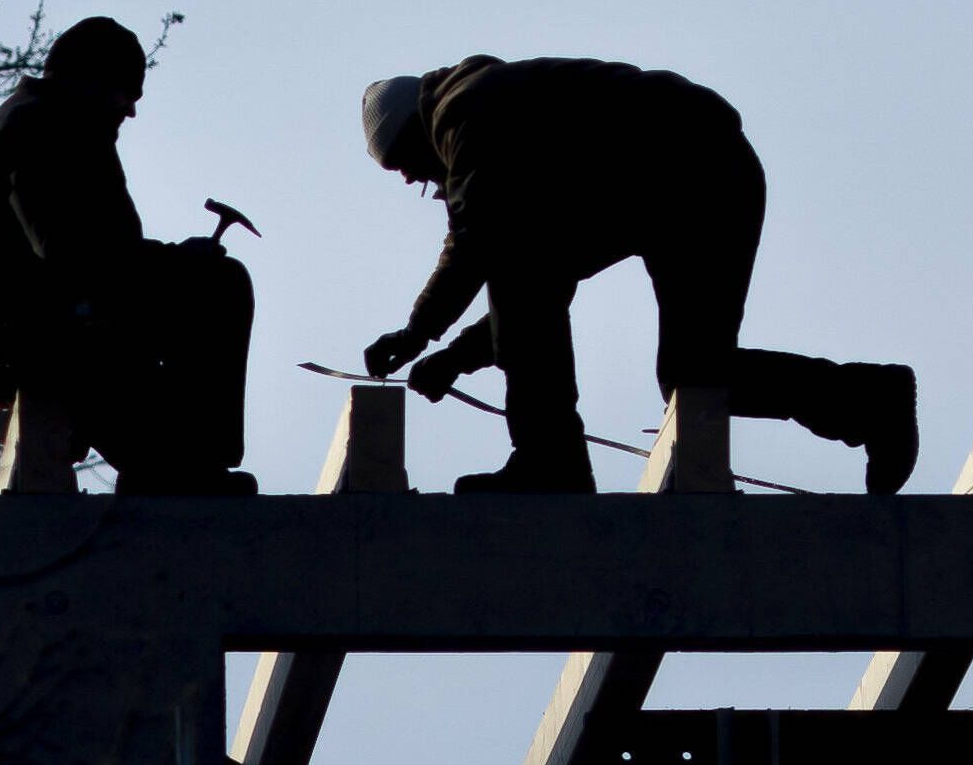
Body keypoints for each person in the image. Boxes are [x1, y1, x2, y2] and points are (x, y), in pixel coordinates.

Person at [356, 57, 916, 495]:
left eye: (401, 164)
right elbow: (540, 277)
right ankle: (871, 401)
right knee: (693, 376)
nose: (409, 180)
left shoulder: (467, 115)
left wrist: (417, 331)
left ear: (413, 131)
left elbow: (475, 244)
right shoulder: (513, 130)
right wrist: (456, 355)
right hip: (690, 179)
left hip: (698, 177)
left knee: (523, 281)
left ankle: (550, 465)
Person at [0, 18, 255, 492]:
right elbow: (71, 254)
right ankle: (182, 466)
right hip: (24, 330)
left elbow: (105, 256)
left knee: (202, 286)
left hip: (53, 313)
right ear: (87, 79)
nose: (130, 110)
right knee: (219, 286)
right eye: (125, 92)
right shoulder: (34, 124)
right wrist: (176, 264)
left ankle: (179, 462)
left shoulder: (68, 130)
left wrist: (167, 266)